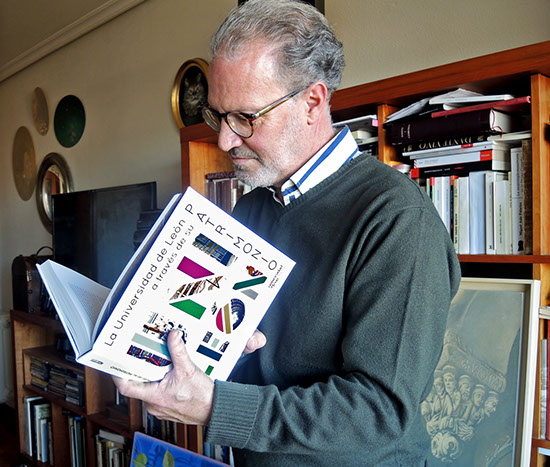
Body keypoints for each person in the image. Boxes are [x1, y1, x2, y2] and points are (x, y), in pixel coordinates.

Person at [114, 0, 461, 465]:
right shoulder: (253, 206)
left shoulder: (397, 219)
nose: (225, 140)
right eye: (219, 116)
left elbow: (379, 412)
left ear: (312, 102)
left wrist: (217, 407)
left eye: (245, 118)